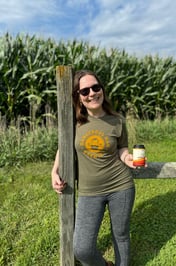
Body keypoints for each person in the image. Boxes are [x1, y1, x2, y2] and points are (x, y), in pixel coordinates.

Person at [51, 69, 138, 266]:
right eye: (85, 91)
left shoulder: (117, 120)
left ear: (102, 90)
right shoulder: (73, 122)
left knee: (121, 235)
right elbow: (63, 146)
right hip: (90, 192)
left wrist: (128, 158)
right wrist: (54, 170)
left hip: (121, 186)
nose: (92, 93)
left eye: (96, 87)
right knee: (82, 248)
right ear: (79, 97)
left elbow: (122, 148)